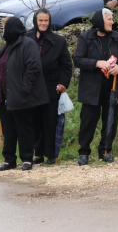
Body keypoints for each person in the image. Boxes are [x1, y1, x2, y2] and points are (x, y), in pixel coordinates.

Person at [73, 8, 118, 166]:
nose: (112, 22)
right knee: (88, 121)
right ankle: (84, 152)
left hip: (112, 86)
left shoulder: (116, 37)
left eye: (112, 19)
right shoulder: (86, 37)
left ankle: (105, 151)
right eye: (109, 19)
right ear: (100, 20)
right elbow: (78, 59)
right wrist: (97, 63)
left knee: (110, 119)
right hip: (91, 87)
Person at [0, 17, 49, 171]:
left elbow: (33, 68)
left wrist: (24, 89)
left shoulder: (27, 44)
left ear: (11, 28)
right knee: (8, 129)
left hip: (21, 96)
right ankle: (9, 159)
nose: (3, 31)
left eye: (4, 28)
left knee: (24, 128)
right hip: (5, 96)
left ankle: (27, 158)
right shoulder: (7, 47)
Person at [26, 9, 72, 165]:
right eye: (40, 21)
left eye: (46, 21)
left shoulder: (58, 41)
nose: (43, 23)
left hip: (51, 87)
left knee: (50, 122)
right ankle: (37, 154)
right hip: (32, 88)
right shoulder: (27, 39)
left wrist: (63, 83)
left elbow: (66, 65)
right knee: (35, 122)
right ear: (35, 21)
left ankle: (51, 154)